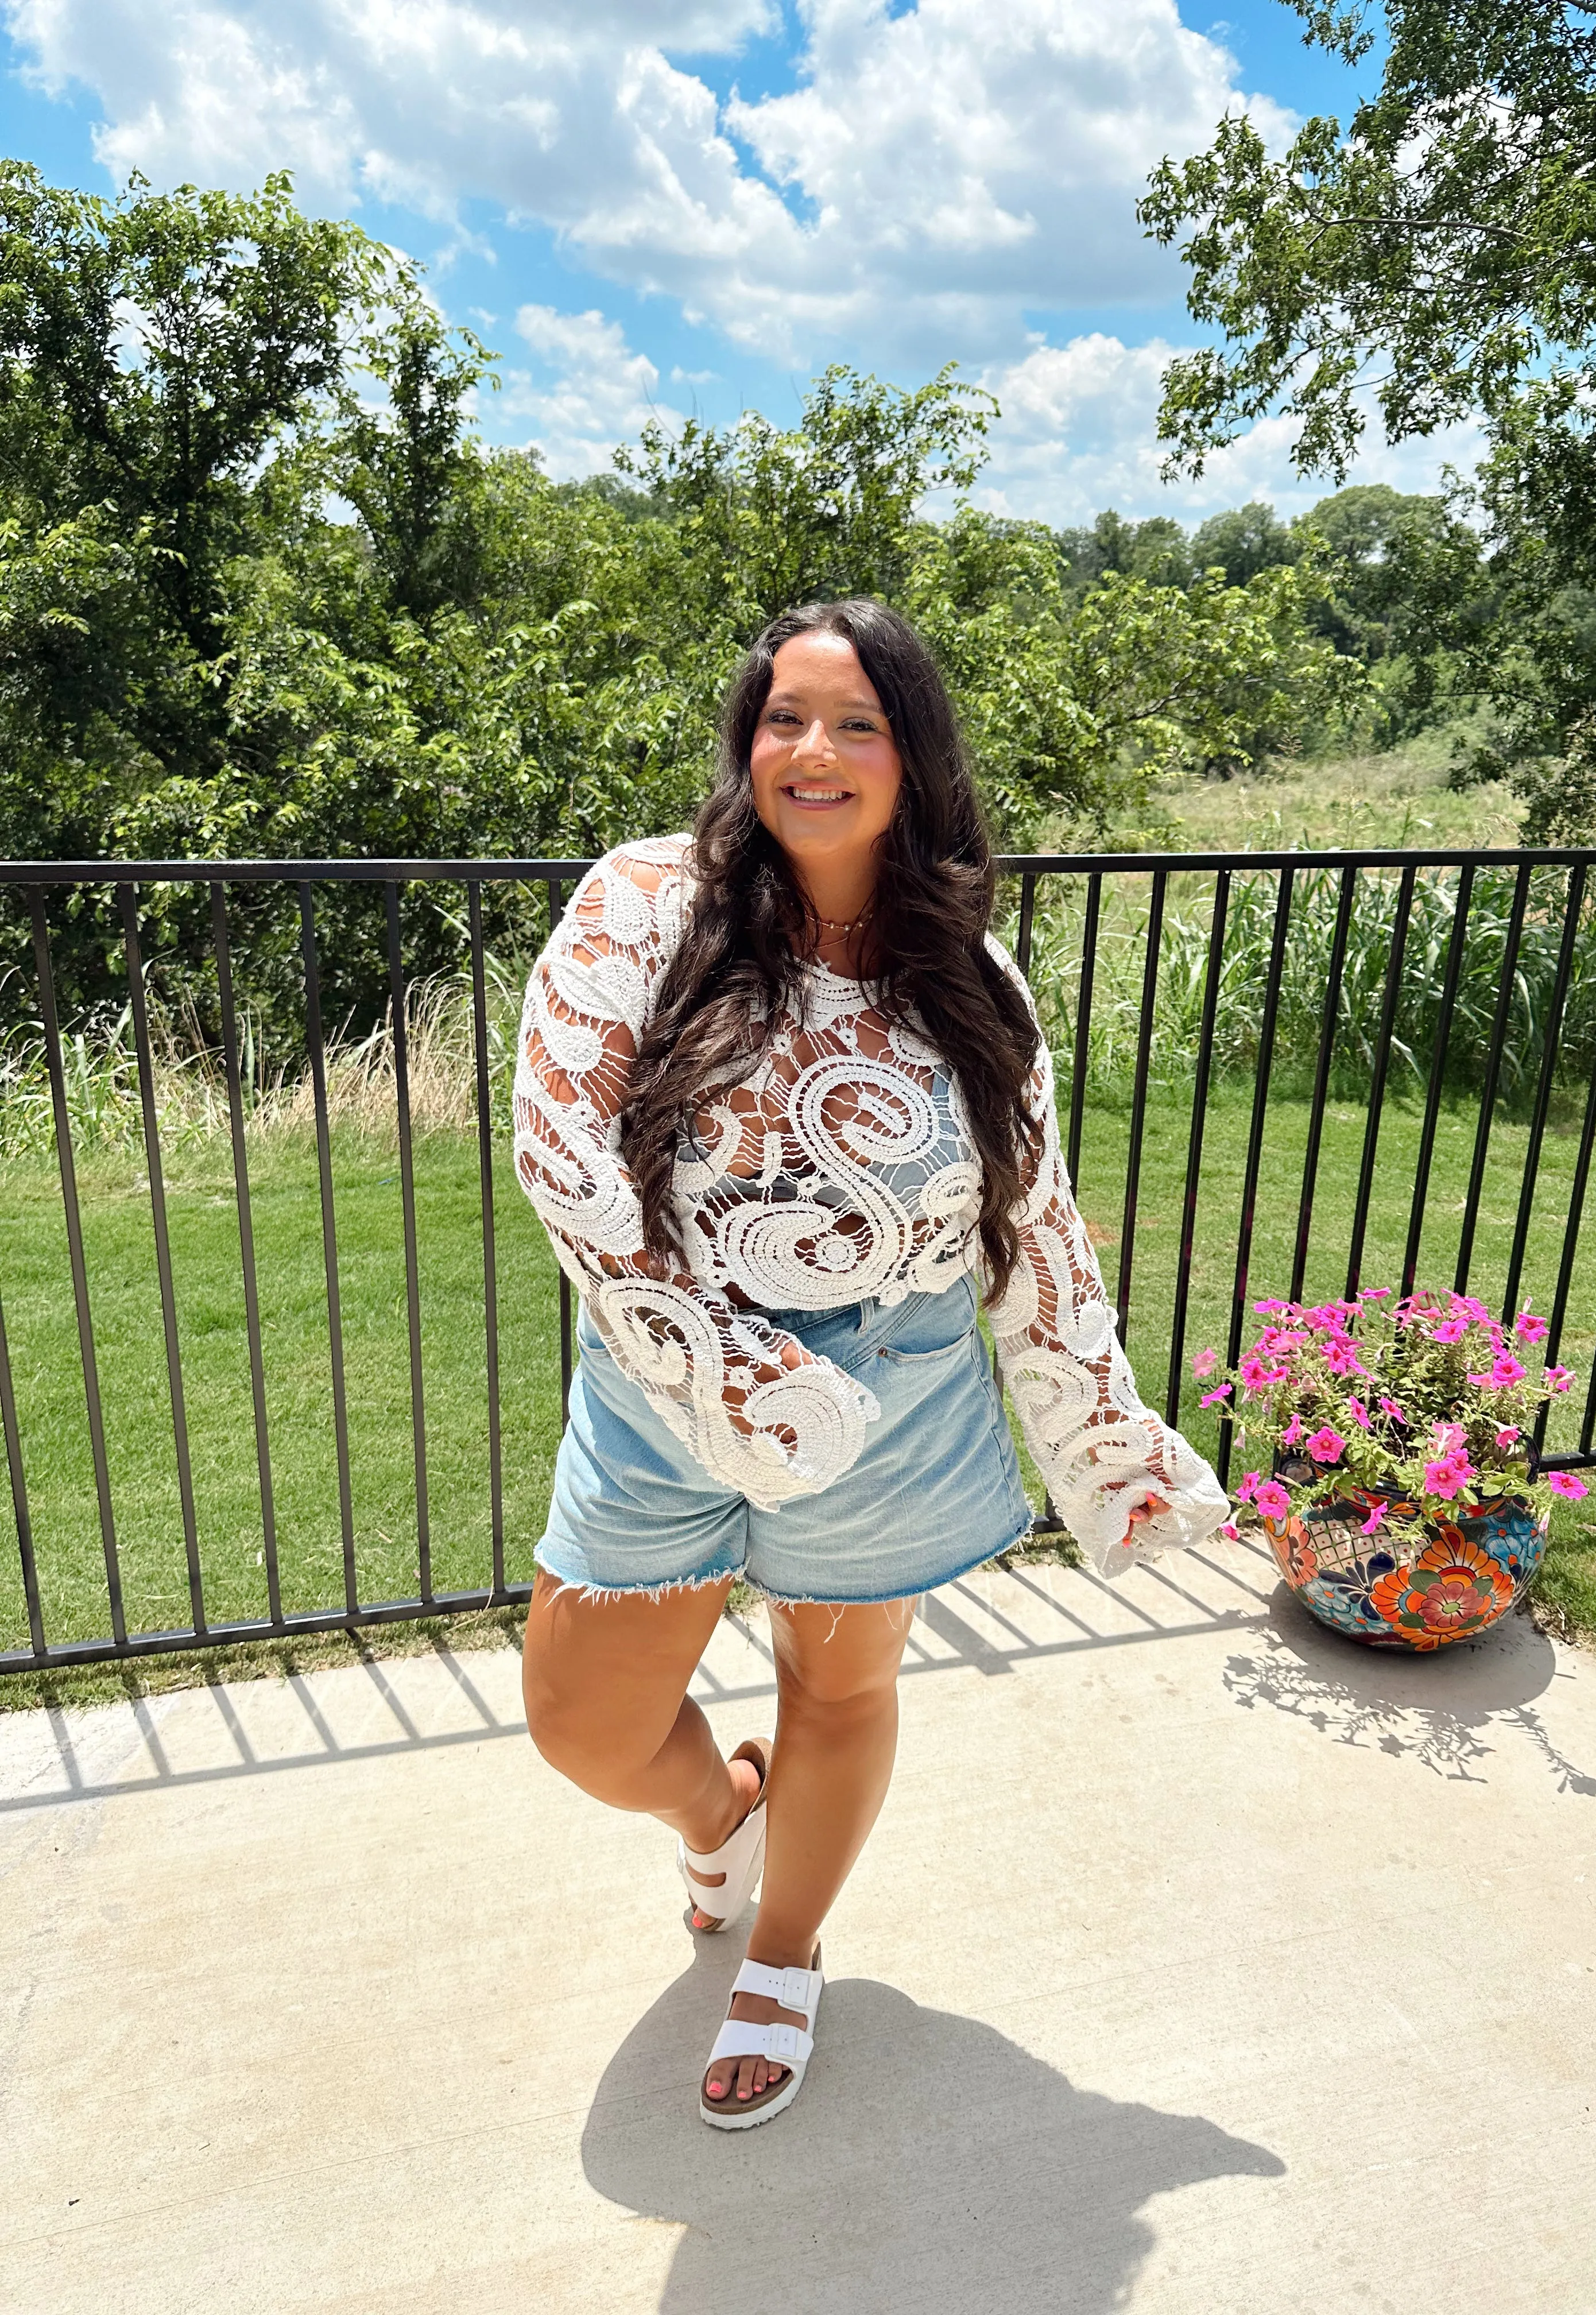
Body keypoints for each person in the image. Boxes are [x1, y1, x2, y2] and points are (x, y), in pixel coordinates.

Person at [513, 599, 1228, 2131]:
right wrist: (721, 1369)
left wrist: (1102, 1427)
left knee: (841, 1691)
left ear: (914, 757)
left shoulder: (970, 976)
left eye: (856, 723)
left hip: (899, 1381)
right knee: (584, 1723)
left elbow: (1030, 1215)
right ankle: (722, 1815)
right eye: (785, 718)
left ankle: (782, 1949)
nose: (813, 751)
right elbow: (563, 1152)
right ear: (747, 741)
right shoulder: (650, 903)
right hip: (667, 1381)